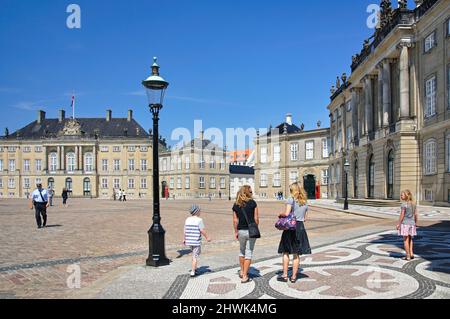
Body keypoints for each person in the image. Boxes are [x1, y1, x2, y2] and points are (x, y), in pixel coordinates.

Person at [277, 182, 311, 283]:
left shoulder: (290, 199)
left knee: (286, 251)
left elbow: (287, 213)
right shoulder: (305, 202)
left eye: (291, 189)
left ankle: (285, 275)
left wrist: (280, 214)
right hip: (300, 227)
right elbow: (305, 218)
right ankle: (294, 277)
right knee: (296, 254)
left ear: (293, 190)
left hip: (290, 227)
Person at [232, 185, 259, 284]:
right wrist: (255, 227)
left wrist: (235, 231)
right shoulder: (253, 203)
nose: (252, 194)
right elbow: (256, 219)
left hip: (241, 231)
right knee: (249, 253)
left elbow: (235, 220)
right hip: (251, 231)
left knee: (241, 251)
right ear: (247, 193)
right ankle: (244, 276)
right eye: (251, 192)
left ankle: (242, 270)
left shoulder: (236, 204)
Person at [184, 204, 211, 277]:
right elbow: (202, 230)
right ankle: (193, 271)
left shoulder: (187, 219)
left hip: (189, 241)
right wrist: (207, 237)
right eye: (199, 210)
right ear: (196, 212)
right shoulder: (199, 220)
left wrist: (184, 239)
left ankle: (194, 268)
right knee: (195, 256)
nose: (200, 212)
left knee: (194, 254)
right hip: (196, 241)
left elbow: (185, 230)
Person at [397, 190, 418, 261]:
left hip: (405, 223)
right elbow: (415, 214)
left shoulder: (404, 204)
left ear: (406, 196)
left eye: (402, 195)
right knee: (410, 239)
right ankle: (411, 253)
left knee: (405, 240)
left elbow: (402, 215)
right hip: (412, 224)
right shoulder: (413, 204)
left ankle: (407, 256)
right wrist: (415, 222)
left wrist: (399, 224)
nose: (401, 196)